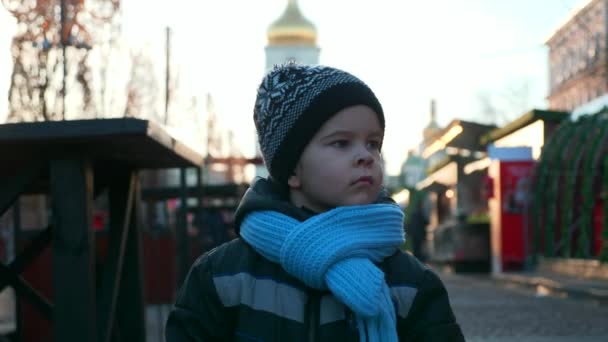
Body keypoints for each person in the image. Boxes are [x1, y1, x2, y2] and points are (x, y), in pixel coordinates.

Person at [165, 63, 465, 341]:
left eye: (373, 143)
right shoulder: (223, 276)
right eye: (341, 143)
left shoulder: (410, 282)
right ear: (293, 170)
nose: (366, 155)